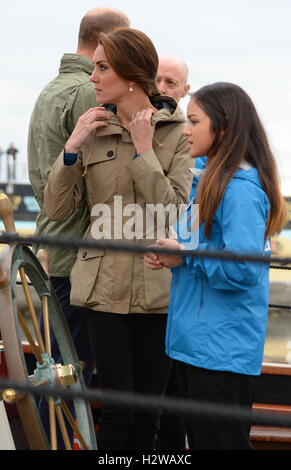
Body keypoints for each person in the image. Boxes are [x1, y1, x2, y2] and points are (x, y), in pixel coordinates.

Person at [43, 27, 192, 450]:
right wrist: (71, 148)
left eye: (102, 68)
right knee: (117, 412)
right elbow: (57, 209)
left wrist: (145, 150)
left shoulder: (177, 132)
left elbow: (174, 211)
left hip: (157, 292)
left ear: (130, 75)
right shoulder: (93, 128)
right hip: (102, 290)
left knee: (148, 414)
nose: (92, 77)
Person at [145, 82, 287, 450]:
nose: (185, 129)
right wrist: (171, 252)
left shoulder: (240, 191)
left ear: (222, 128)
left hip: (221, 353)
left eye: (193, 121)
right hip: (196, 345)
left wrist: (186, 255)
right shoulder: (206, 180)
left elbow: (243, 268)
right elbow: (193, 245)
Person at [27, 7, 130, 448]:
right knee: (72, 377)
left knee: (58, 374)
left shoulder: (51, 91)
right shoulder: (88, 94)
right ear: (107, 42)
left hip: (55, 250)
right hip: (80, 260)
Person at [155, 55, 190, 450]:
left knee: (176, 398)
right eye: (158, 80)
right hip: (153, 276)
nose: (163, 88)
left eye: (171, 82)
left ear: (185, 90)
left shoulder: (188, 139)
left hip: (180, 283)